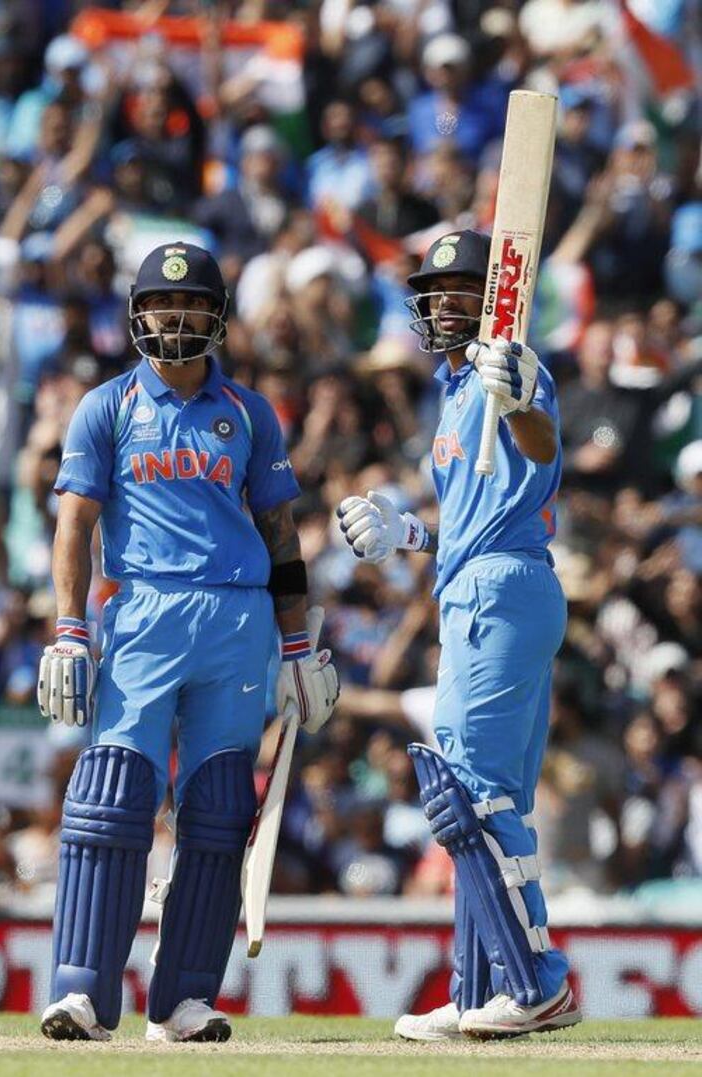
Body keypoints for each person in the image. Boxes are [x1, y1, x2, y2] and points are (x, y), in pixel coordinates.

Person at [36, 242, 339, 1044]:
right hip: (143, 613)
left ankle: (182, 1001)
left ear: (216, 316)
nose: (175, 319)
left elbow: (281, 535)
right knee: (112, 795)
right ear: (137, 316)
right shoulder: (106, 407)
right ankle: (83, 994)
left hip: (238, 624)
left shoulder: (246, 413)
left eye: (190, 306)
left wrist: (298, 645)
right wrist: (69, 629)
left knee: (217, 809)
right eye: (160, 307)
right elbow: (75, 523)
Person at [337, 230, 581, 1039]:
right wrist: (408, 534)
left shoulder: (513, 367)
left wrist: (515, 401)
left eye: (457, 289)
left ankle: (536, 980)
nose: (440, 303)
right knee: (487, 796)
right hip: (484, 580)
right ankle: (482, 988)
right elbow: (476, 519)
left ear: (491, 298)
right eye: (432, 290)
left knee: (471, 792)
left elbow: (542, 448)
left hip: (502, 588)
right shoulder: (451, 392)